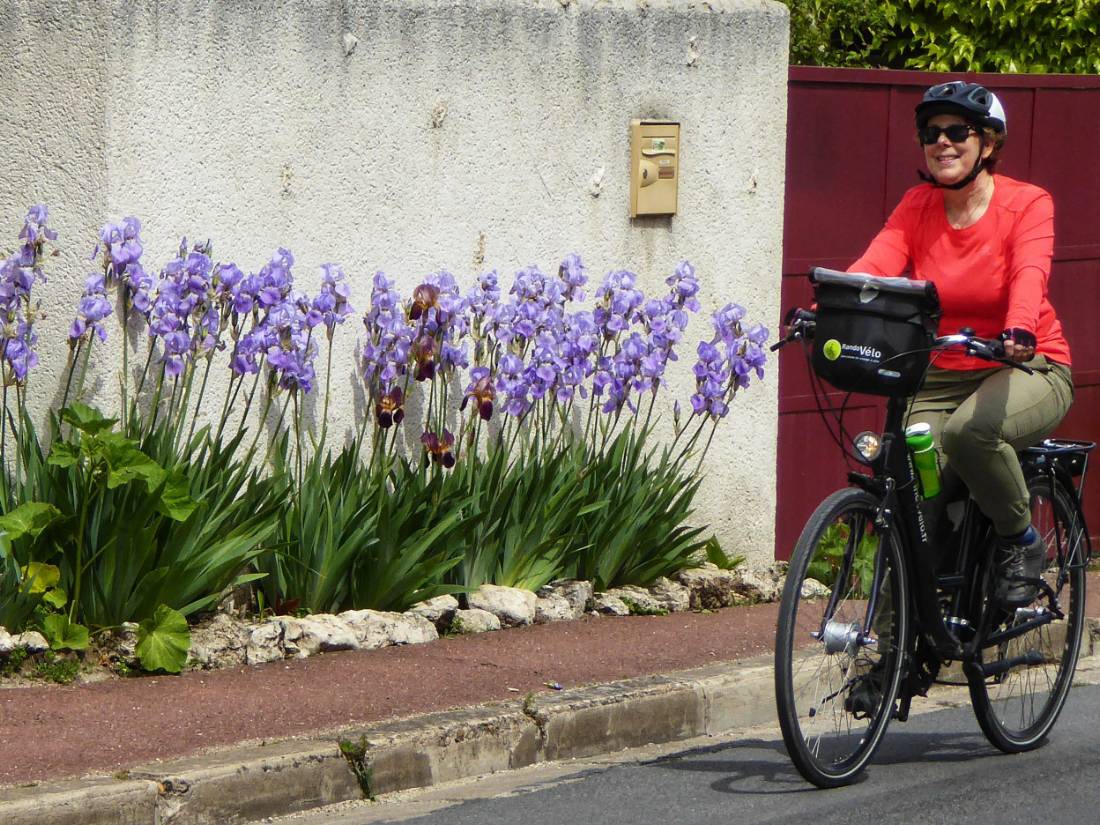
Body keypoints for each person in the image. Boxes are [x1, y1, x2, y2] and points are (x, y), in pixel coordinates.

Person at [848, 80, 1074, 607]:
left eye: (957, 131)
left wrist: (1019, 327)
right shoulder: (918, 205)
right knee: (906, 485)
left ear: (988, 144)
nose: (942, 142)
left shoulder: (1026, 204)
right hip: (944, 370)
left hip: (1026, 366)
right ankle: (891, 659)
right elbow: (875, 266)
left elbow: (1029, 273)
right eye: (931, 133)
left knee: (971, 435)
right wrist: (832, 307)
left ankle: (1021, 540)